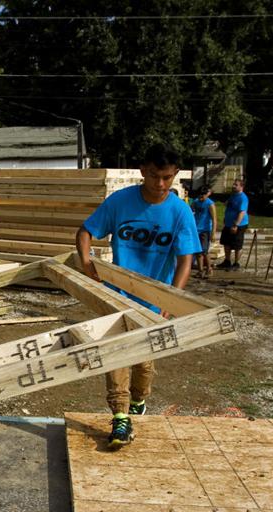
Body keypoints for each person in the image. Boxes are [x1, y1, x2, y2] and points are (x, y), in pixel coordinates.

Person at [76, 143, 200, 449]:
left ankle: (137, 402)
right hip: (117, 295)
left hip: (154, 300)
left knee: (143, 363)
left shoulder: (180, 211)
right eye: (155, 176)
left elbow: (186, 259)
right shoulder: (121, 202)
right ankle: (120, 416)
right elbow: (85, 232)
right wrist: (87, 263)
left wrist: (172, 298)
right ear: (143, 171)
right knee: (115, 354)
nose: (160, 185)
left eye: (168, 178)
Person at [217, 179, 249, 270]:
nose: (233, 186)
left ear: (241, 187)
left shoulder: (243, 198)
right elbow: (227, 205)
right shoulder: (233, 196)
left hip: (239, 224)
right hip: (228, 223)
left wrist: (236, 225)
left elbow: (242, 212)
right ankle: (227, 261)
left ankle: (236, 263)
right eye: (234, 184)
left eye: (236, 185)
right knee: (226, 242)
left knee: (237, 244)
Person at [191, 187, 217, 279]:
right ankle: (200, 270)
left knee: (204, 251)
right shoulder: (196, 201)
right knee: (198, 251)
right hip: (196, 229)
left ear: (207, 194)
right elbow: (190, 211)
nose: (201, 197)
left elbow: (214, 219)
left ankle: (209, 269)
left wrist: (213, 233)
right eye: (200, 195)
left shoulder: (210, 204)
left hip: (205, 230)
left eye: (203, 195)